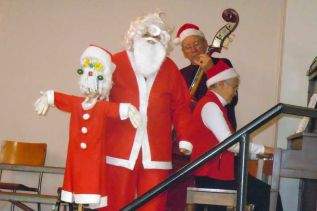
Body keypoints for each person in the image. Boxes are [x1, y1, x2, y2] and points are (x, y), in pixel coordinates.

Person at [102, 12, 193, 211]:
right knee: (113, 205)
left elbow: (181, 106)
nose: (152, 41)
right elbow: (101, 102)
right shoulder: (114, 63)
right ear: (134, 37)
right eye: (146, 36)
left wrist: (185, 137)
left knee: (154, 206)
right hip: (119, 150)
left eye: (158, 37)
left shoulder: (170, 69)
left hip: (157, 152)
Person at [34, 45, 141, 209]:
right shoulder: (77, 104)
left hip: (94, 159)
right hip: (75, 158)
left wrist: (128, 109)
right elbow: (62, 98)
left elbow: (116, 109)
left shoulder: (102, 107)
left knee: (91, 190)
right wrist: (49, 97)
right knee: (76, 192)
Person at [189, 60, 283, 211]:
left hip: (216, 172)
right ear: (221, 85)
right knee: (268, 195)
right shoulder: (210, 106)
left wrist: (261, 153)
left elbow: (232, 146)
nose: (235, 92)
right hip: (212, 176)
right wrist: (267, 149)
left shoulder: (213, 105)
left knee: (266, 193)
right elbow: (231, 145)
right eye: (234, 87)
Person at [175, 23, 238, 129]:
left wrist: (210, 69)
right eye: (188, 47)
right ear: (184, 53)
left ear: (205, 44)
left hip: (222, 129)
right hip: (195, 133)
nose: (193, 49)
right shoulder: (181, 74)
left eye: (196, 44)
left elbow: (232, 99)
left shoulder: (223, 63)